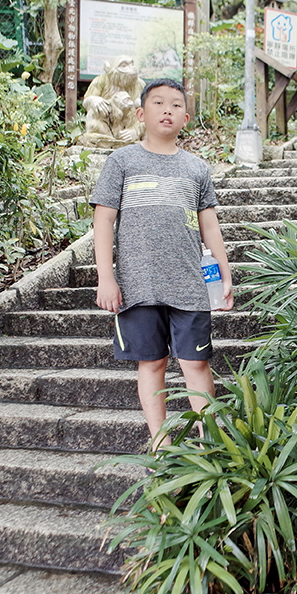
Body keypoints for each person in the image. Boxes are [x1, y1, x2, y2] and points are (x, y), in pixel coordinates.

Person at [89, 78, 234, 447]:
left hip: (189, 284)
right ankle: (161, 444)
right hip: (139, 286)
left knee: (196, 365)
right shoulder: (121, 161)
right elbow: (103, 221)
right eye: (158, 103)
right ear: (141, 113)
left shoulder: (196, 169)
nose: (166, 110)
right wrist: (106, 278)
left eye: (175, 105)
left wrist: (225, 269)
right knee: (151, 363)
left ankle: (210, 442)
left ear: (186, 117)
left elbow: (210, 226)